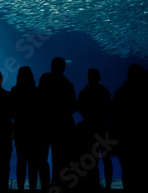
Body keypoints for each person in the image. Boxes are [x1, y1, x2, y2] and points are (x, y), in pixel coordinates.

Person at [110, 65, 148, 193]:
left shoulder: (121, 92)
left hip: (125, 141)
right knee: (147, 174)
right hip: (146, 141)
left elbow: (114, 117)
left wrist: (113, 141)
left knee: (129, 174)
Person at [38, 57, 77, 191]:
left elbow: (40, 99)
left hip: (45, 124)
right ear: (64, 67)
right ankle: (57, 185)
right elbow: (73, 107)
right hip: (62, 126)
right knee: (59, 159)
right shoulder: (68, 84)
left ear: (52, 66)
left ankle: (44, 185)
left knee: (42, 158)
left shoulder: (45, 78)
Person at [11, 66, 50, 192]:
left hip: (20, 131)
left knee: (21, 161)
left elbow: (11, 112)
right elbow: (43, 112)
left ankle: (21, 187)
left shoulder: (14, 91)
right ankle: (36, 187)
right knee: (35, 162)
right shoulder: (38, 91)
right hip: (36, 132)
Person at [77, 69, 113, 190]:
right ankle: (108, 185)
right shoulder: (104, 92)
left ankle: (93, 184)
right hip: (103, 126)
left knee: (90, 158)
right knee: (106, 158)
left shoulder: (84, 93)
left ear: (88, 78)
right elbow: (110, 109)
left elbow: (80, 108)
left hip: (88, 127)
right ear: (99, 77)